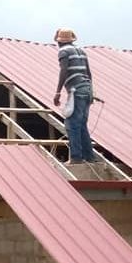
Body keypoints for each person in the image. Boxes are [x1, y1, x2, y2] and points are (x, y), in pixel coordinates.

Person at [52, 28, 96, 163]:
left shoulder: (64, 52)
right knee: (81, 124)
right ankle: (89, 157)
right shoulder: (81, 52)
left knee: (72, 124)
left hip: (77, 90)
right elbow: (88, 73)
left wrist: (58, 92)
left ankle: (76, 157)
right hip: (87, 90)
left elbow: (64, 71)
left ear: (60, 41)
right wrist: (91, 92)